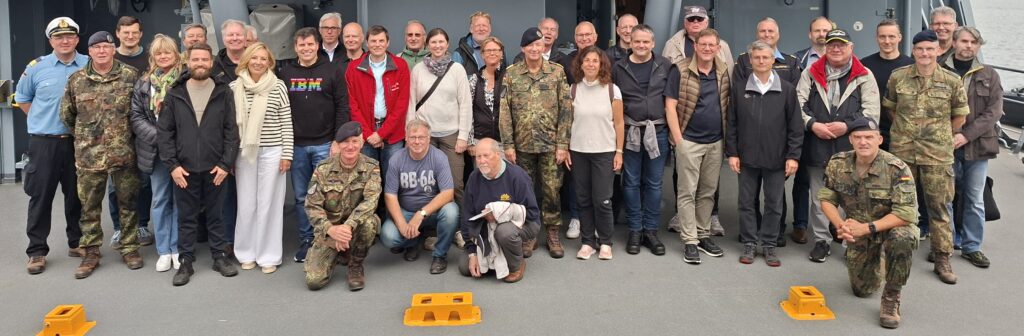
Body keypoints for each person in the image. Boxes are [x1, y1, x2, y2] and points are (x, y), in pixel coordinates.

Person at [883, 30, 969, 285]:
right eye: (920, 49)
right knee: (898, 204)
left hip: (937, 154)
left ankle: (942, 258)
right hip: (904, 152)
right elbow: (891, 110)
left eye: (930, 49)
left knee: (939, 207)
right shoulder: (898, 77)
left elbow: (960, 117)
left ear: (939, 50)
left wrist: (938, 136)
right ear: (913, 51)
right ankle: (892, 251)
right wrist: (908, 132)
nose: (925, 53)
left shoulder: (952, 81)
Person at [818, 117, 919, 329]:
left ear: (879, 139)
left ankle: (891, 297)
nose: (863, 142)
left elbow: (906, 213)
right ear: (851, 140)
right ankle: (879, 260)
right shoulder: (838, 163)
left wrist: (866, 228)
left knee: (904, 238)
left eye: (869, 137)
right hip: (857, 229)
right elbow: (827, 198)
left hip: (890, 227)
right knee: (862, 290)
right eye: (858, 137)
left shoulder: (897, 169)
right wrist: (841, 225)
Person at [59, 31, 143, 279]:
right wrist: (87, 138)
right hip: (89, 156)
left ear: (113, 49)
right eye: (97, 48)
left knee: (128, 203)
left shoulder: (130, 76)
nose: (102, 51)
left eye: (107, 46)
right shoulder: (77, 80)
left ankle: (129, 247)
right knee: (89, 207)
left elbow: (139, 111)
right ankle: (91, 252)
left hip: (124, 153)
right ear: (90, 51)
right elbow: (67, 115)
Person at [158, 42, 240, 286]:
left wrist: (226, 164)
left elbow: (231, 131)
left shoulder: (224, 92)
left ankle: (219, 256)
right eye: (196, 60)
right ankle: (186, 261)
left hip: (216, 167)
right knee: (187, 217)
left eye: (205, 60)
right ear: (188, 61)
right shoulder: (175, 93)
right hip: (184, 169)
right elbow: (165, 133)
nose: (201, 64)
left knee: (216, 215)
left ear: (211, 62)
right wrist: (172, 166)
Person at [796, 29, 880, 263]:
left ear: (850, 47)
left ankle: (847, 239)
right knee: (819, 196)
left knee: (850, 197)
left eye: (841, 45)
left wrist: (846, 126)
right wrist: (812, 125)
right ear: (826, 47)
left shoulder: (864, 75)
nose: (836, 49)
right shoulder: (810, 73)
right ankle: (821, 240)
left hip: (850, 147)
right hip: (817, 144)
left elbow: (872, 113)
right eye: (832, 44)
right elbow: (798, 105)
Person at [17, 17, 88, 275]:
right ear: (51, 41)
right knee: (41, 197)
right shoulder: (37, 68)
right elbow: (24, 99)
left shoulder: (89, 65)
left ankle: (77, 242)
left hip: (78, 142)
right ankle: (36, 250)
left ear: (77, 39)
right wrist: (43, 121)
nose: (65, 40)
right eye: (59, 37)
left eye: (69, 36)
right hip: (44, 142)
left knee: (77, 195)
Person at [726, 41, 803, 267]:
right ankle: (749, 242)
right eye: (757, 57)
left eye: (765, 58)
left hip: (777, 158)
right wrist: (732, 153)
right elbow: (732, 123)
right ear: (750, 61)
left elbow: (795, 126)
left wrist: (792, 156)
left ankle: (769, 244)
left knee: (774, 204)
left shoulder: (787, 89)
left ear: (773, 60)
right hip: (747, 157)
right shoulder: (739, 88)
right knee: (746, 202)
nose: (761, 61)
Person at [499, 27, 572, 259]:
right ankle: (529, 234)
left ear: (544, 47)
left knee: (552, 190)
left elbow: (566, 111)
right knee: (525, 192)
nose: (534, 48)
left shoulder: (557, 73)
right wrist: (508, 145)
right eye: (529, 45)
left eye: (538, 44)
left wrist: (562, 144)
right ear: (523, 48)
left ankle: (552, 233)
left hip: (551, 145)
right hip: (522, 146)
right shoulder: (511, 74)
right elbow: (504, 112)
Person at [279, 27, 350, 263]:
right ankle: (307, 240)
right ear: (295, 47)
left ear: (317, 45)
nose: (306, 49)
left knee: (329, 195)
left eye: (310, 44)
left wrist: (337, 141)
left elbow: (343, 107)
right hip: (297, 146)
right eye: (301, 45)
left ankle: (328, 239)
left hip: (325, 145)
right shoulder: (286, 74)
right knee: (302, 197)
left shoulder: (332, 71)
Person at [664, 28, 730, 264]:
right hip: (689, 141)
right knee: (687, 192)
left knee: (707, 192)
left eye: (712, 45)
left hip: (715, 142)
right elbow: (670, 106)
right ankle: (689, 240)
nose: (707, 49)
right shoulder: (680, 69)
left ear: (718, 48)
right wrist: (678, 139)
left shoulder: (723, 71)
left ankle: (703, 235)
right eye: (703, 44)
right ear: (695, 46)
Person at [230, 42, 293, 274]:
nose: (258, 62)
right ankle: (246, 252)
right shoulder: (234, 87)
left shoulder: (278, 87)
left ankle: (268, 255)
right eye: (254, 58)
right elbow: (228, 127)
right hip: (244, 153)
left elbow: (286, 122)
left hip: (273, 151)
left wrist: (287, 153)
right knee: (246, 204)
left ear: (269, 63)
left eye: (263, 59)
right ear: (246, 60)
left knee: (269, 205)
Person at [943, 27, 1002, 268]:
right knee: (945, 197)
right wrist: (948, 134)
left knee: (974, 197)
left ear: (978, 46)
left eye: (974, 42)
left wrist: (965, 136)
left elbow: (994, 111)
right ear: (954, 43)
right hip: (944, 145)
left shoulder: (989, 74)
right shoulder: (939, 69)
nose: (968, 46)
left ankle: (972, 246)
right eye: (964, 41)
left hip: (977, 146)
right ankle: (945, 244)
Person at [611, 25, 670, 256]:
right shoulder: (619, 68)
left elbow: (671, 100)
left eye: (646, 42)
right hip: (630, 131)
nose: (641, 45)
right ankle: (635, 229)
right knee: (631, 182)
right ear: (630, 43)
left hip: (658, 131)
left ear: (653, 43)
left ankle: (651, 231)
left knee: (654, 183)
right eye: (637, 42)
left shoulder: (665, 65)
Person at [304, 122, 381, 291]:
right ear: (338, 144)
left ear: (361, 143)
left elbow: (370, 202)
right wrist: (331, 230)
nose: (350, 146)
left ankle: (355, 265)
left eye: (355, 141)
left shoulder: (371, 167)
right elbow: (311, 206)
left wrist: (346, 228)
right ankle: (339, 253)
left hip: (353, 229)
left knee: (370, 222)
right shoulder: (323, 169)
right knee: (314, 281)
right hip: (329, 231)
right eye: (345, 142)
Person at [130, 34, 184, 272]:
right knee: (161, 199)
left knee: (182, 200)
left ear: (176, 55)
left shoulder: (186, 80)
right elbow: (136, 117)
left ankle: (179, 247)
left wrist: (176, 141)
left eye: (168, 53)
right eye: (159, 53)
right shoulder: (143, 84)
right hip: (156, 151)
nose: (163, 57)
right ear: (153, 57)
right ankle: (164, 249)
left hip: (182, 151)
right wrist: (161, 139)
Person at [380, 120, 459, 274]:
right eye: (413, 137)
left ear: (429, 139)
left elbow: (448, 193)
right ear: (406, 138)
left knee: (451, 212)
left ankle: (440, 255)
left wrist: (421, 213)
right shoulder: (396, 159)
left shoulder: (439, 157)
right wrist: (402, 224)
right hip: (407, 211)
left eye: (421, 137)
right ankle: (412, 242)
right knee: (388, 237)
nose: (417, 141)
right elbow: (390, 195)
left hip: (432, 212)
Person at [568, 46, 624, 260]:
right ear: (580, 64)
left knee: (602, 199)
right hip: (579, 151)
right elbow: (568, 123)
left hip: (604, 151)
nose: (591, 64)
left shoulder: (612, 90)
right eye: (587, 60)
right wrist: (566, 148)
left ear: (602, 65)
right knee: (583, 199)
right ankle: (588, 241)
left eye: (595, 61)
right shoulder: (572, 90)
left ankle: (606, 242)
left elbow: (619, 123)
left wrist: (619, 151)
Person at [459, 138, 541, 283]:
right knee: (465, 268)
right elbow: (467, 216)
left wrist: (499, 213)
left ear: (498, 154)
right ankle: (498, 255)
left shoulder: (517, 176)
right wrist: (472, 253)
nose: (482, 161)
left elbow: (532, 213)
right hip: (485, 229)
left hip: (522, 224)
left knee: (504, 233)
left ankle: (517, 265)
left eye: (486, 155)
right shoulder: (474, 178)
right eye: (478, 156)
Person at [408, 28, 471, 206]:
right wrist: (411, 134)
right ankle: (431, 228)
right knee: (427, 185)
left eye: (441, 42)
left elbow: (465, 104)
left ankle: (461, 228)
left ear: (447, 44)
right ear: (427, 45)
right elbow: (411, 103)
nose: (437, 46)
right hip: (424, 137)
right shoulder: (418, 70)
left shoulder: (457, 69)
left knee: (456, 184)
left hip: (451, 136)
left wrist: (463, 137)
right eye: (433, 42)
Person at [108, 15, 155, 250]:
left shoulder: (150, 59)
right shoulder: (109, 57)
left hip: (144, 131)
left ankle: (142, 224)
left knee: (144, 181)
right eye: (125, 32)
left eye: (134, 32)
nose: (130, 36)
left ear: (140, 34)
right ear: (118, 33)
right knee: (116, 183)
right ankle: (118, 228)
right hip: (116, 133)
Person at [788, 17, 835, 245]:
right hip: (805, 126)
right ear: (810, 34)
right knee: (803, 179)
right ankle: (800, 224)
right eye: (817, 30)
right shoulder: (798, 60)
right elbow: (796, 96)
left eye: (826, 30)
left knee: (835, 180)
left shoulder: (842, 58)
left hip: (833, 130)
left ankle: (834, 225)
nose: (822, 34)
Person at [346, 25, 410, 179]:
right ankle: (372, 205)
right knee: (368, 178)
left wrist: (381, 133)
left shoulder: (400, 65)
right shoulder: (354, 68)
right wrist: (369, 134)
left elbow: (402, 104)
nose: (377, 44)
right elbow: (352, 105)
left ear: (388, 43)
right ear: (366, 43)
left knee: (392, 177)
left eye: (381, 40)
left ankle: (390, 205)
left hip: (393, 132)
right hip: (365, 131)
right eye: (373, 41)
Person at [860, 19, 913, 151]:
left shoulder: (912, 66)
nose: (887, 41)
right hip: (872, 133)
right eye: (882, 36)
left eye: (891, 36)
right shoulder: (864, 65)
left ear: (899, 38)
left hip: (904, 135)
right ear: (876, 38)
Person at [662, 5, 734, 69]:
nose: (695, 22)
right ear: (685, 23)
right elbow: (664, 72)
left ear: (706, 23)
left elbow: (730, 74)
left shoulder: (722, 46)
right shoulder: (671, 45)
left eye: (700, 19)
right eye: (691, 19)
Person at [734, 17, 801, 85]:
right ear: (757, 35)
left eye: (770, 31)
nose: (767, 34)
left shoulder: (792, 62)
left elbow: (793, 93)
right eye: (762, 31)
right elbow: (738, 90)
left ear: (778, 35)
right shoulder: (743, 60)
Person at [468, 37, 506, 150]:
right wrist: (470, 141)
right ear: (482, 54)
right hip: (479, 141)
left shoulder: (509, 78)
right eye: (488, 50)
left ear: (501, 53)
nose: (492, 53)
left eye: (496, 50)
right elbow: (467, 111)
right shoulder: (474, 79)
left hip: (504, 142)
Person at [454, 11, 505, 77]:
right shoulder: (459, 54)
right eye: (477, 25)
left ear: (490, 29)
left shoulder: (499, 51)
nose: (481, 29)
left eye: (484, 25)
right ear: (471, 29)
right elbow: (455, 79)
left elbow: (505, 76)